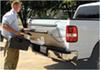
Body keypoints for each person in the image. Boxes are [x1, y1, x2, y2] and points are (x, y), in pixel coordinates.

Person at [1, 0, 23, 69]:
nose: (20, 8)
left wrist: (22, 30)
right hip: (10, 41)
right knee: (9, 60)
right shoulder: (10, 14)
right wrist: (16, 32)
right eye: (19, 6)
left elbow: (15, 26)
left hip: (15, 41)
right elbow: (4, 25)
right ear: (15, 6)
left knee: (15, 59)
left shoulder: (15, 15)